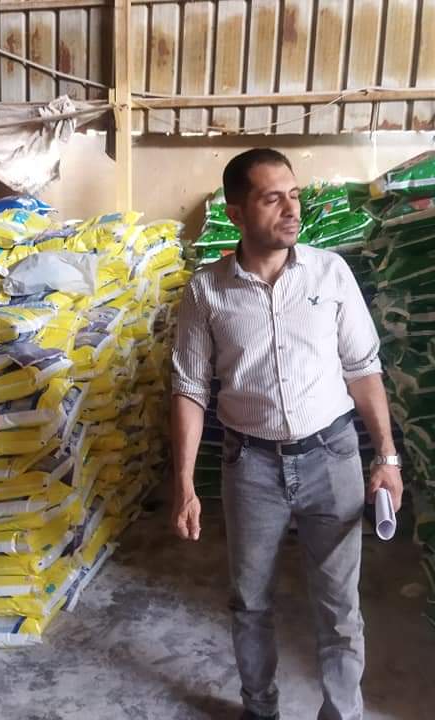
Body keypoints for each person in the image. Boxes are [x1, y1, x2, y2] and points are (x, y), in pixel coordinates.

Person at [171, 148, 403, 720]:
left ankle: (342, 713)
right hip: (251, 466)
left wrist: (387, 457)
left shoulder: (330, 273)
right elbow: (190, 389)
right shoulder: (206, 291)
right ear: (235, 212)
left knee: (339, 606)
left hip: (332, 457)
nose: (291, 209)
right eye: (272, 198)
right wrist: (185, 484)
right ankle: (260, 708)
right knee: (250, 602)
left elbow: (363, 368)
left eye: (293, 195)